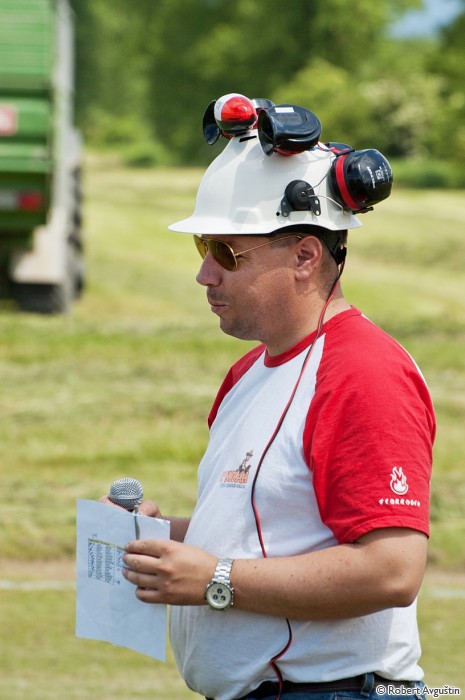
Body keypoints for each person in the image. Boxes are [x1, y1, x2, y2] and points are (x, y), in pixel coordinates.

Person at [103, 96, 436, 700]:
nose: (205, 274)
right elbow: (269, 532)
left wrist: (215, 579)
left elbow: (391, 571)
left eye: (226, 252)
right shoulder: (248, 371)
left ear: (305, 256)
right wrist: (167, 540)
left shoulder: (364, 373)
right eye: (202, 247)